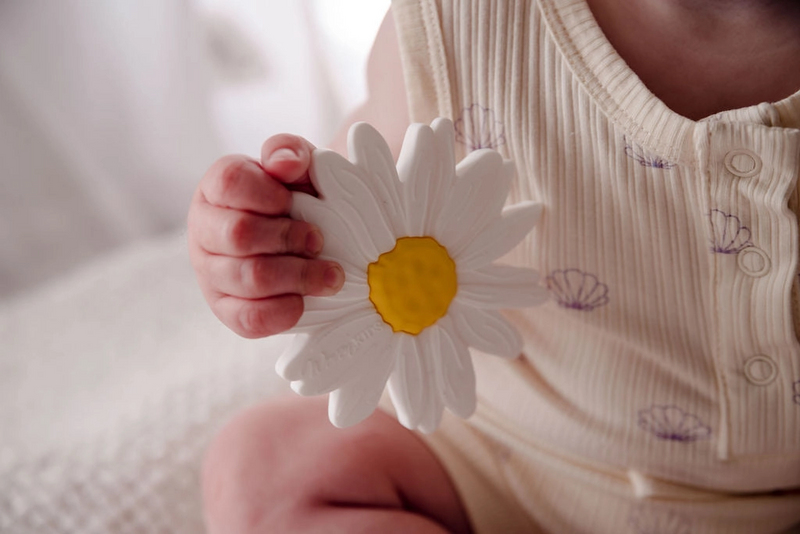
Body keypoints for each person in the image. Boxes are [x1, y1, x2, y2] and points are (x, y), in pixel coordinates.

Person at [188, 0, 800, 532]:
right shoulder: (458, 24)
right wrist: (265, 240)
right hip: (510, 460)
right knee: (263, 470)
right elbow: (353, 213)